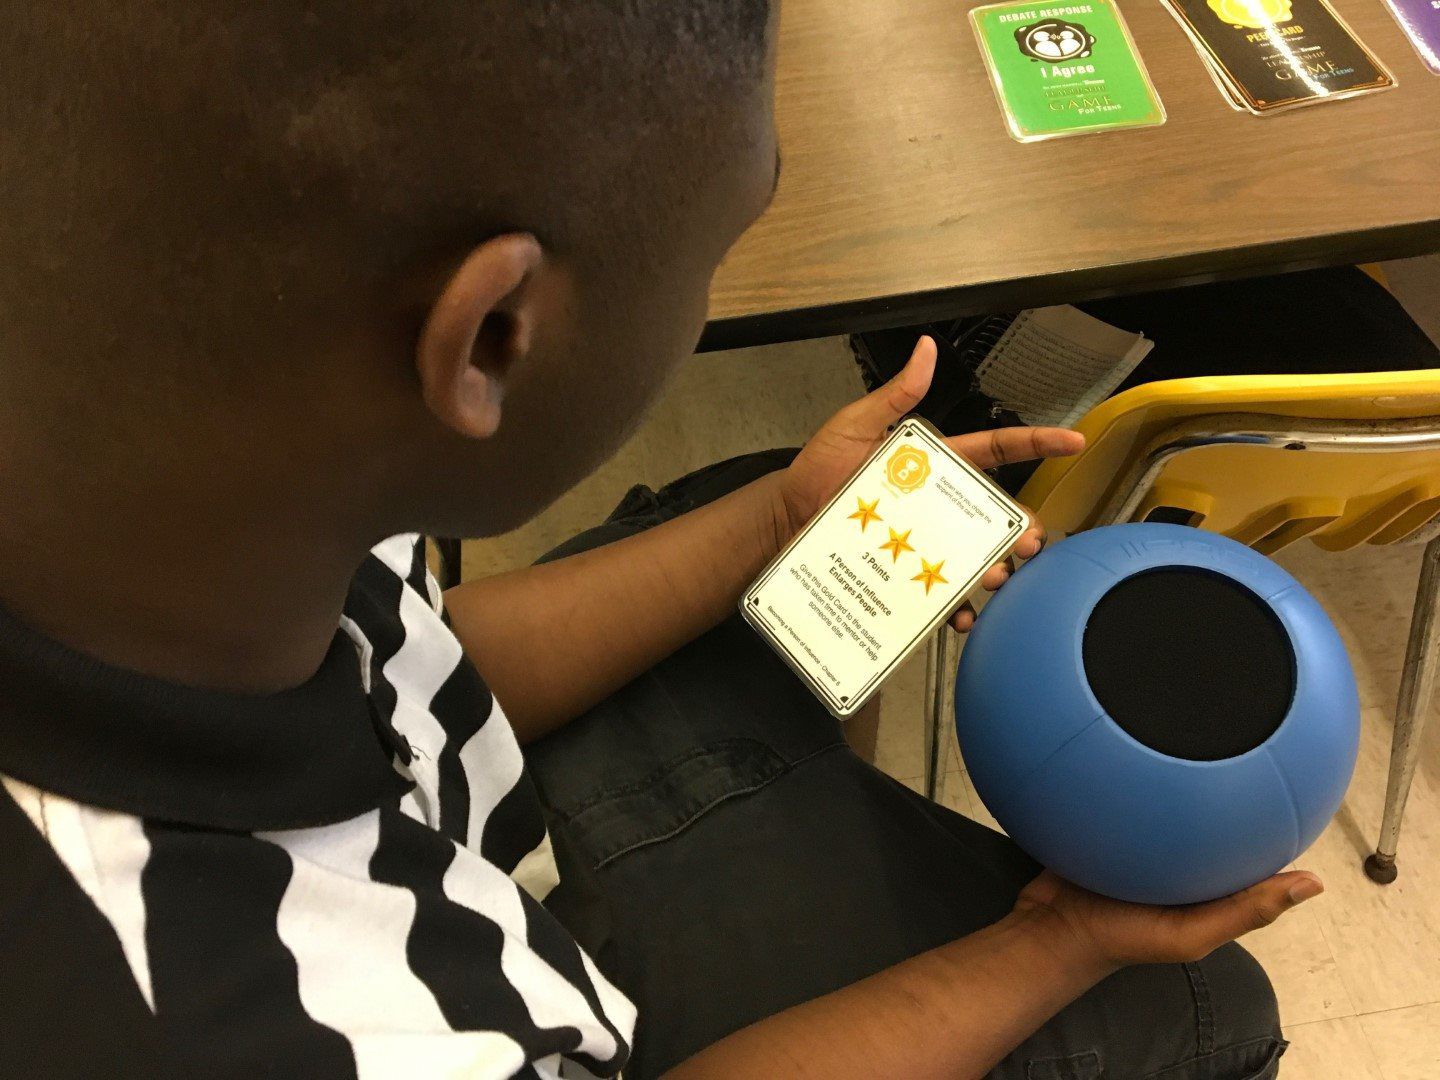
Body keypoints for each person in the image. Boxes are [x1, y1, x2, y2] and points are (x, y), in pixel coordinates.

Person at [0, 4, 1318, 1078]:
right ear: (494, 335)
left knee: (790, 515)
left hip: (451, 856)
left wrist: (782, 515)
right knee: (1208, 1012)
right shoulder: (262, 1033)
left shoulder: (197, 526)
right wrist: (1058, 940)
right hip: (529, 1000)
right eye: (720, 248)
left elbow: (410, 660)